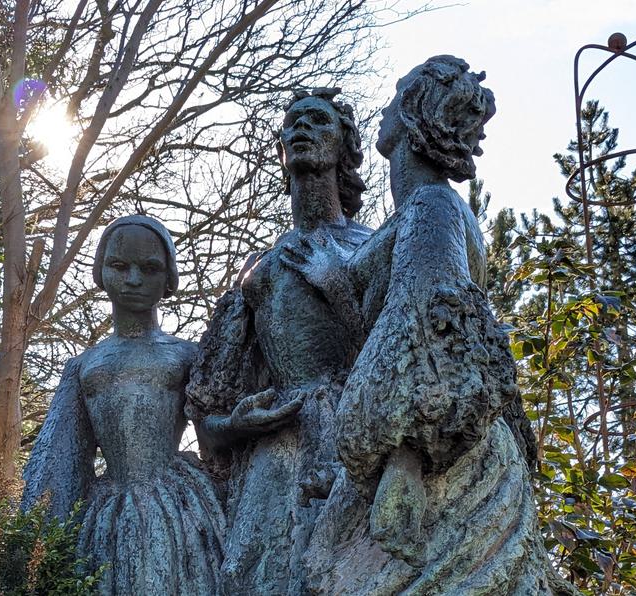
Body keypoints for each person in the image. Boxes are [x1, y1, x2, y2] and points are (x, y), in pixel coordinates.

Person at [295, 55, 566, 594]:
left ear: (414, 117)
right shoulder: (428, 207)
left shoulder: (431, 207)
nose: (385, 109)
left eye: (396, 97)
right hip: (436, 444)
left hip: (430, 457)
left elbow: (432, 326)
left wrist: (405, 462)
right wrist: (340, 285)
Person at [186, 88, 373, 595]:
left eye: (317, 121)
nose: (301, 129)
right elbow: (209, 415)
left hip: (355, 446)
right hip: (274, 464)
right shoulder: (256, 274)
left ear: (345, 148)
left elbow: (392, 363)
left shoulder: (372, 247)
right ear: (281, 152)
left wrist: (337, 289)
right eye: (292, 123)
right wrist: (236, 423)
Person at [20, 215, 224, 595]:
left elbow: (215, 444)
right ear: (101, 272)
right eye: (119, 266)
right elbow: (63, 457)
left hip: (174, 506)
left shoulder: (189, 356)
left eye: (149, 269)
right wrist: (40, 536)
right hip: (109, 512)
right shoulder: (83, 367)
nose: (133, 280)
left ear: (168, 279)